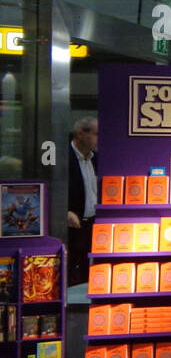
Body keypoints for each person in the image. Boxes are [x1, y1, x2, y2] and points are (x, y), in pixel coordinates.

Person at [66, 116, 98, 285]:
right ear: (80, 134)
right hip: (72, 226)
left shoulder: (96, 159)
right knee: (70, 273)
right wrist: (63, 211)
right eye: (96, 134)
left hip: (92, 225)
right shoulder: (63, 158)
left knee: (88, 275)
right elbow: (52, 188)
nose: (99, 139)